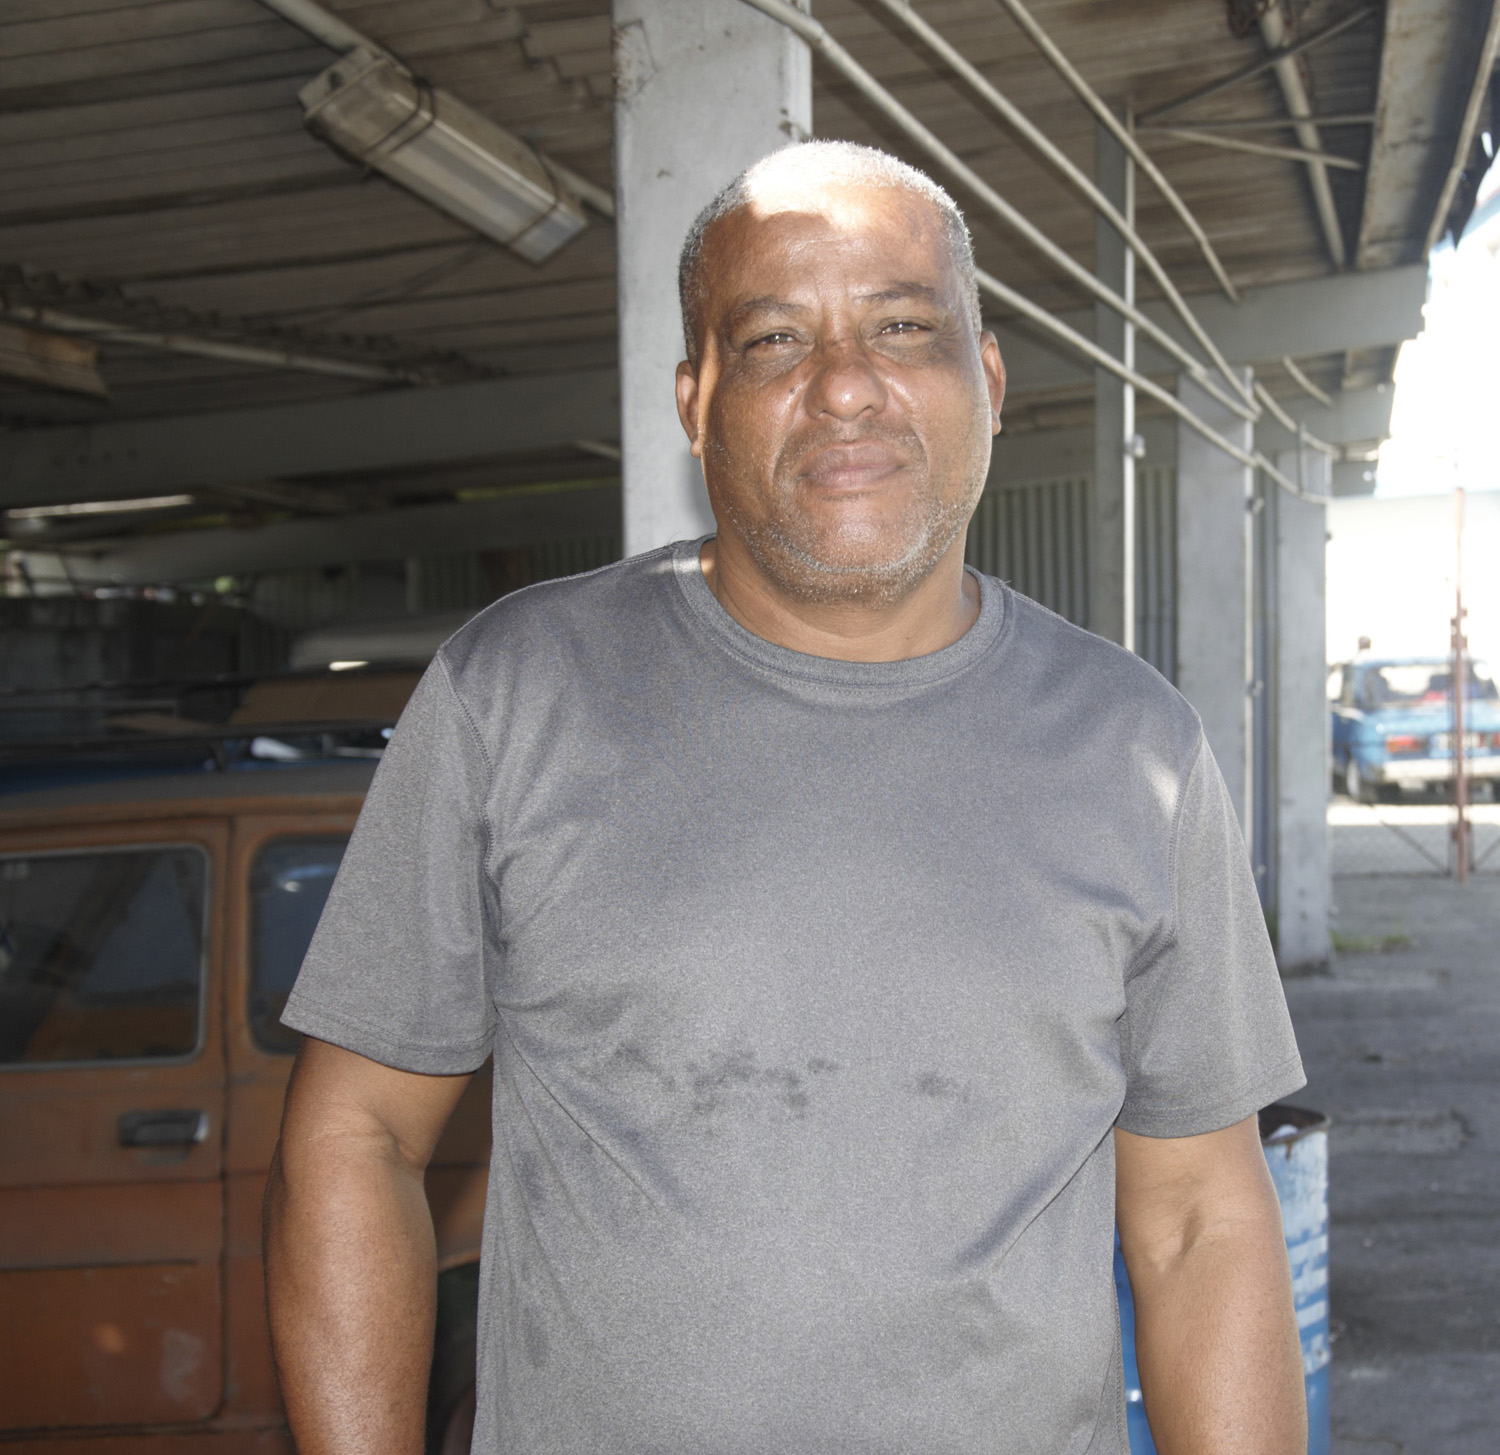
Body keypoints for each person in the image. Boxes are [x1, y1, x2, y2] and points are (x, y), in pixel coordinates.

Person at [266, 141, 1308, 1454]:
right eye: (773, 341)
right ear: (696, 402)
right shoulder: (516, 694)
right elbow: (356, 1136)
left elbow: (1202, 1219)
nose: (846, 386)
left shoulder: (1134, 744)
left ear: (989, 382)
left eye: (903, 327)